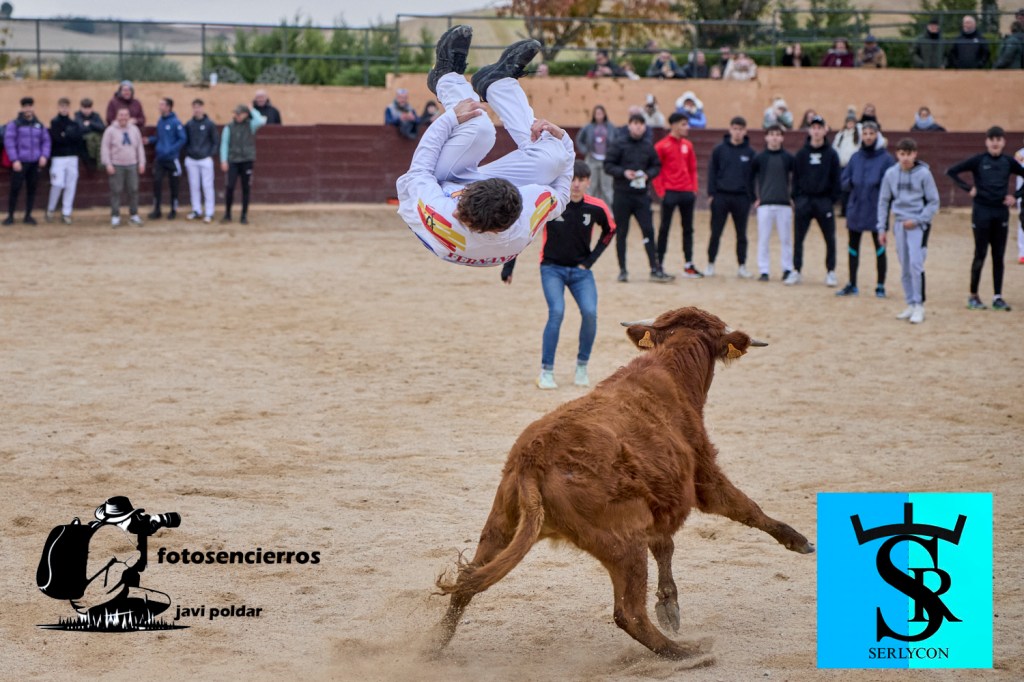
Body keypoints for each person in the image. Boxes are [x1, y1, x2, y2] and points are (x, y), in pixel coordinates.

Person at [396, 26, 574, 267]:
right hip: (483, 206)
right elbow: (561, 197)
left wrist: (450, 117)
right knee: (554, 159)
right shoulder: (525, 217)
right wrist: (563, 140)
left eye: (460, 207)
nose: (457, 210)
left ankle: (445, 77)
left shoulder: (442, 211)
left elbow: (419, 171)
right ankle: (498, 84)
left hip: (434, 184)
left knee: (479, 127)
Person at [500, 161, 615, 390]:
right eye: (572, 179)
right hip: (552, 268)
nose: (576, 184)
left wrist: (590, 261)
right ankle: (546, 371)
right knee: (557, 312)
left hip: (581, 272)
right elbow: (524, 230)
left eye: (581, 180)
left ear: (588, 182)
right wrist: (509, 266)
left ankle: (582, 367)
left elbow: (610, 230)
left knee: (590, 313)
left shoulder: (596, 207)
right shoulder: (552, 205)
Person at [946, 126, 1024, 311]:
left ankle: (998, 297)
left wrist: (1016, 196)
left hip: (1000, 212)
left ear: (1003, 142)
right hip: (981, 212)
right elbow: (952, 171)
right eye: (992, 139)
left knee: (998, 255)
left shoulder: (1008, 162)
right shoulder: (979, 160)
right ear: (987, 142)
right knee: (980, 254)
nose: (995, 143)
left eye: (998, 139)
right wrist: (968, 188)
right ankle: (973, 295)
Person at [71, 497, 171, 622]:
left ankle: (96, 612)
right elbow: (139, 564)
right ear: (125, 518)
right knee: (161, 600)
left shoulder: (93, 529)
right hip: (99, 599)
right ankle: (103, 615)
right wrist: (143, 534)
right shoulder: (115, 535)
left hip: (79, 599)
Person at [877, 138, 940, 324]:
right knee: (904, 265)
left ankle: (919, 305)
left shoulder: (924, 174)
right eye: (902, 154)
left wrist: (919, 220)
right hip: (899, 224)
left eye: (909, 154)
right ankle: (910, 303)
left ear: (915, 154)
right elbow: (883, 201)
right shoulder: (890, 174)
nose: (905, 158)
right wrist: (881, 228)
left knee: (915, 264)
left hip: (918, 225)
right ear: (897, 154)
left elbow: (934, 202)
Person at [604, 113, 673, 282]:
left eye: (641, 124)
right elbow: (608, 165)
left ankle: (654, 268)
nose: (638, 126)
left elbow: (656, 165)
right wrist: (624, 173)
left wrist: (648, 174)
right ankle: (623, 270)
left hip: (641, 196)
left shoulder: (648, 146)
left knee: (648, 230)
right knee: (621, 232)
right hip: (622, 195)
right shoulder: (619, 144)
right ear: (629, 125)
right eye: (635, 123)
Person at [835, 121, 895, 298]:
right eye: (865, 134)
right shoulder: (856, 157)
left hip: (877, 210)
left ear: (877, 135)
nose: (868, 137)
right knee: (853, 247)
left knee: (880, 248)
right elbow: (844, 180)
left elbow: (892, 184)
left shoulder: (886, 159)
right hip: (856, 207)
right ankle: (852, 283)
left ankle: (880, 285)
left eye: (871, 134)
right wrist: (851, 183)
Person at [787, 115, 841, 286]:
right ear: (809, 130)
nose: (816, 131)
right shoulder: (801, 154)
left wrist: (831, 200)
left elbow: (836, 179)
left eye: (819, 128)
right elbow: (795, 179)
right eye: (814, 128)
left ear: (825, 130)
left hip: (824, 201)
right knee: (798, 238)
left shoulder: (831, 154)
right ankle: (796, 270)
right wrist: (797, 198)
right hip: (804, 201)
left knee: (830, 238)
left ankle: (831, 272)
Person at [705, 116, 755, 278]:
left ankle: (742, 266)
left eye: (740, 129)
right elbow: (712, 172)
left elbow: (752, 178)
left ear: (745, 131)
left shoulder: (750, 152)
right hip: (721, 196)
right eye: (735, 129)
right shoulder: (719, 150)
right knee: (715, 232)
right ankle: (710, 264)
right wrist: (711, 194)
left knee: (741, 234)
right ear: (730, 129)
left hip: (741, 198)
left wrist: (751, 197)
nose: (737, 132)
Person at [653, 112, 701, 278]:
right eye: (683, 124)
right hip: (670, 193)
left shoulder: (688, 145)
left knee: (688, 229)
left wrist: (694, 189)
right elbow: (656, 170)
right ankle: (659, 263)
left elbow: (693, 169)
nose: (687, 128)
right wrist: (661, 192)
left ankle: (689, 264)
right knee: (664, 229)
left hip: (687, 192)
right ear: (673, 125)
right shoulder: (661, 146)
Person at [751, 124, 795, 282]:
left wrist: (793, 197)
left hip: (784, 204)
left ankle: (787, 269)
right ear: (766, 137)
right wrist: (754, 197)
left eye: (777, 134)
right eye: (772, 134)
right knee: (763, 239)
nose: (774, 137)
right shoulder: (759, 158)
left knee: (786, 239)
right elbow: (749, 178)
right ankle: (764, 270)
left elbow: (797, 179)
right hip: (765, 204)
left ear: (782, 138)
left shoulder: (788, 158)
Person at [3, 97, 50, 226]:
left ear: (33, 108)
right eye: (25, 106)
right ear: (22, 108)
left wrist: (44, 156)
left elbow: (46, 141)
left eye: (30, 106)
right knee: (15, 189)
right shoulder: (15, 124)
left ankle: (28, 215)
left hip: (35, 162)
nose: (28, 109)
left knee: (32, 189)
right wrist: (14, 159)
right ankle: (10, 216)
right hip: (20, 162)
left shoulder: (39, 125)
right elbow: (9, 142)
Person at [220, 104, 267, 225]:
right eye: (236, 113)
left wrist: (252, 110)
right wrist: (223, 160)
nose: (237, 115)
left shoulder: (251, 125)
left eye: (239, 113)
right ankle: (227, 214)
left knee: (246, 188)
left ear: (246, 115)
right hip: (233, 160)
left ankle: (244, 215)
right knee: (230, 187)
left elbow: (261, 121)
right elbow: (224, 144)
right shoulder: (229, 127)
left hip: (247, 160)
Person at [100, 107, 145, 227]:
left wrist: (142, 163)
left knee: (133, 190)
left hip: (132, 164)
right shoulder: (110, 130)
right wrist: (108, 163)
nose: (123, 117)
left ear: (129, 117)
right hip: (117, 165)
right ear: (117, 116)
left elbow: (139, 147)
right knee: (116, 191)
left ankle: (134, 215)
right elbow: (105, 148)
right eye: (121, 115)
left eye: (126, 115)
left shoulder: (134, 129)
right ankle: (115, 216)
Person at [147, 97, 186, 220]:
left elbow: (182, 139)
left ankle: (173, 209)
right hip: (160, 159)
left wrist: (171, 150)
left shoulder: (176, 122)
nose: (160, 107)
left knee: (173, 185)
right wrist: (150, 140)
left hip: (172, 159)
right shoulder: (160, 121)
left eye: (162, 105)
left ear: (168, 107)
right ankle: (157, 209)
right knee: (157, 183)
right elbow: (159, 137)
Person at [46, 97, 82, 225]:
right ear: (58, 107)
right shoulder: (54, 122)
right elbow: (57, 139)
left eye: (66, 106)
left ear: (69, 108)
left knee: (71, 185)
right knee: (57, 184)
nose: (64, 109)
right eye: (62, 106)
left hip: (72, 157)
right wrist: (68, 136)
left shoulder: (74, 123)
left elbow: (77, 138)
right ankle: (51, 209)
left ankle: (66, 212)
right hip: (58, 157)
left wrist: (65, 135)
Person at [183, 98, 219, 224]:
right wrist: (189, 152)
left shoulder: (209, 124)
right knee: (194, 186)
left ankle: (209, 212)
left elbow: (215, 141)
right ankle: (196, 210)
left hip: (205, 159)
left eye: (198, 107)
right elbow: (185, 140)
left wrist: (209, 154)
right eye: (194, 107)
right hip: (192, 159)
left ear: (203, 108)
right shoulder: (189, 124)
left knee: (207, 186)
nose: (196, 110)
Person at [575, 104, 617, 207]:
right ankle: (589, 207)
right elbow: (579, 139)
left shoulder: (611, 127)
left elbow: (617, 141)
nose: (599, 115)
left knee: (606, 187)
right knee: (591, 186)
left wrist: (612, 153)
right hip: (592, 159)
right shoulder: (588, 127)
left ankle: (608, 210)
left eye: (601, 113)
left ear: (604, 114)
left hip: (606, 161)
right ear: (594, 115)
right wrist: (585, 150)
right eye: (597, 113)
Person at [74, 98, 105, 169]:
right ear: (81, 108)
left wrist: (90, 123)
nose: (87, 110)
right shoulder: (78, 116)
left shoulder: (96, 115)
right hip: (83, 144)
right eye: (85, 108)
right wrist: (93, 128)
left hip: (96, 143)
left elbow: (102, 127)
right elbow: (81, 129)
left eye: (89, 108)